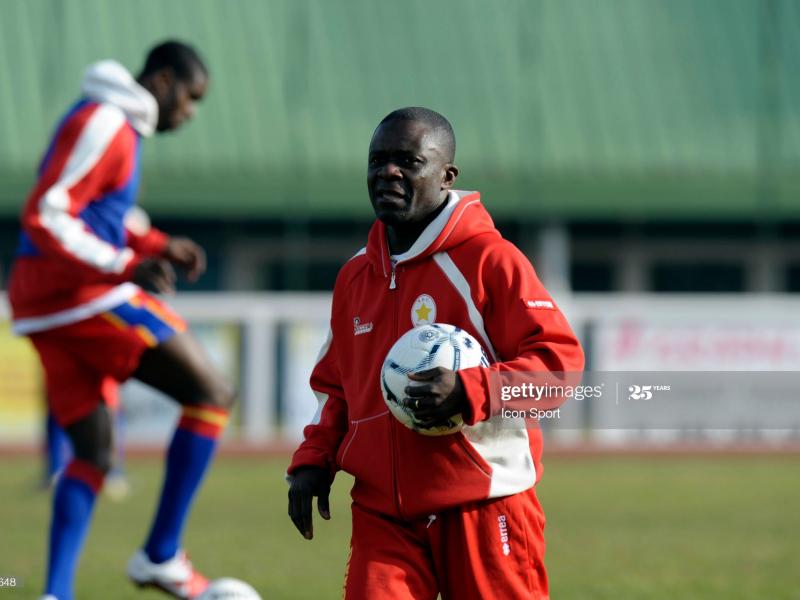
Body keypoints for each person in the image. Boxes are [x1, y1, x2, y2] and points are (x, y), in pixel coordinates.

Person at [287, 107, 585, 599]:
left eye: (408, 160)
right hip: (383, 515)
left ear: (447, 176)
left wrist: (471, 390)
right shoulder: (355, 277)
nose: (388, 172)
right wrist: (314, 456)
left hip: (484, 504)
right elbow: (338, 386)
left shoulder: (491, 260)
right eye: (377, 160)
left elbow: (561, 368)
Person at [7, 41, 234, 600]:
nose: (191, 112)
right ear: (162, 80)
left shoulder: (113, 124)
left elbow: (100, 213)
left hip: (49, 305)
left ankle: (55, 593)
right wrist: (125, 264)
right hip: (78, 296)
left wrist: (157, 243)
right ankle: (161, 557)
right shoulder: (106, 121)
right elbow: (47, 212)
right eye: (191, 97)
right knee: (211, 392)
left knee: (94, 454)